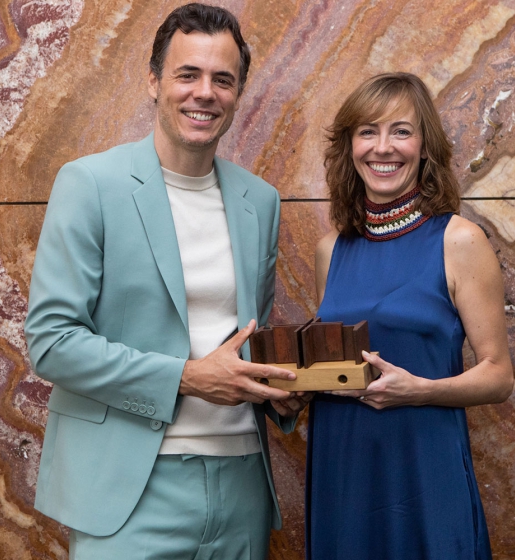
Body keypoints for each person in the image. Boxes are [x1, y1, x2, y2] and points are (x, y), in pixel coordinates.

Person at [23, 4, 307, 558]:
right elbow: (52, 343)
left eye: (223, 79)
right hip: (128, 490)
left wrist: (284, 396)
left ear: (238, 92)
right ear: (154, 81)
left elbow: (251, 336)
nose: (205, 92)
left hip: (243, 484)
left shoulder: (261, 201)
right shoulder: (90, 185)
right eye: (187, 74)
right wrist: (188, 378)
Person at [306, 72, 514, 559]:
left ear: (425, 146)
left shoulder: (459, 240)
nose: (383, 148)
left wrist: (421, 391)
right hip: (343, 468)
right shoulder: (329, 251)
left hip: (424, 467)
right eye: (367, 132)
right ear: (349, 146)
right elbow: (335, 359)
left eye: (401, 131)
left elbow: (498, 376)